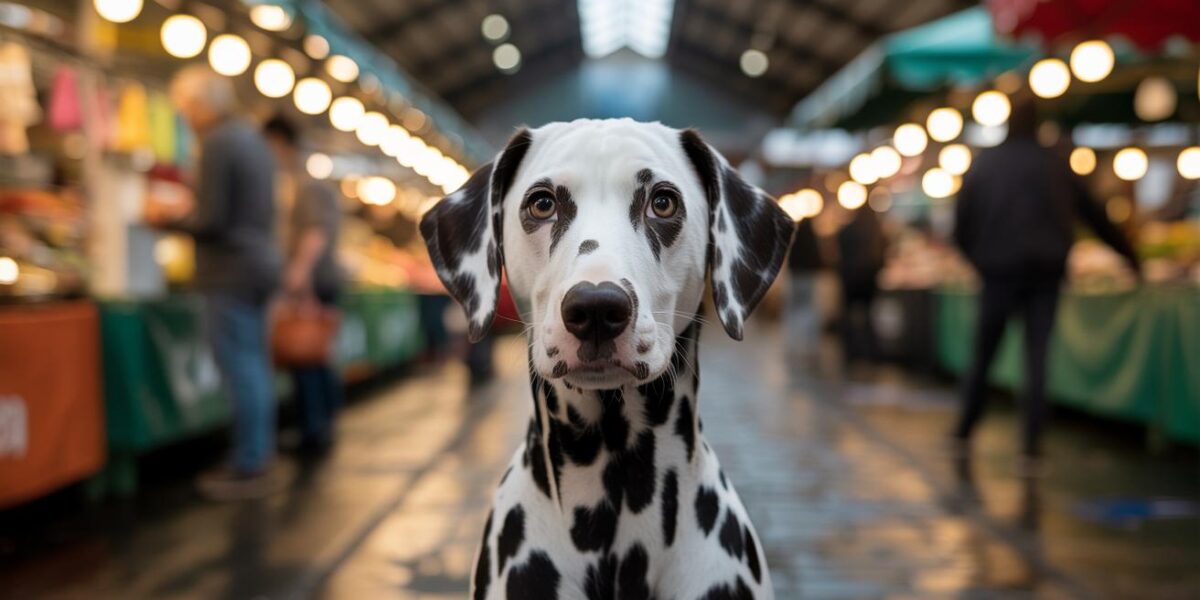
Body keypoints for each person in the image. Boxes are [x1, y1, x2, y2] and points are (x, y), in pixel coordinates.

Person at [951, 97, 1140, 466]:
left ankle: (964, 429)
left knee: (984, 353)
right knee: (1037, 357)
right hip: (1045, 272)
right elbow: (1094, 214)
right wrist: (1130, 256)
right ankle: (1032, 445)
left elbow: (960, 225)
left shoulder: (985, 163)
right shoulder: (1055, 163)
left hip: (999, 272)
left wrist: (980, 261)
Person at [150, 65, 282, 499]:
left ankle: (249, 464)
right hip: (259, 263)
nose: (184, 116)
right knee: (255, 366)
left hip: (229, 270)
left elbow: (211, 218)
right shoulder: (253, 140)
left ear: (202, 105)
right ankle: (258, 456)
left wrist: (167, 219)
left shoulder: (218, 143)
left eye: (186, 107)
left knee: (240, 367)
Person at [263, 115, 344, 455]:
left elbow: (315, 234)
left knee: (307, 356)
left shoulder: (307, 186)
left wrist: (298, 274)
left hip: (314, 281)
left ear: (281, 144)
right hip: (316, 279)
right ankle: (321, 425)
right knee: (316, 356)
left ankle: (314, 430)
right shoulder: (301, 184)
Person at [836, 206, 886, 365]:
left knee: (849, 316)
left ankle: (851, 354)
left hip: (849, 278)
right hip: (869, 279)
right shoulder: (875, 231)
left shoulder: (848, 230)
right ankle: (872, 353)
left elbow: (839, 250)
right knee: (869, 316)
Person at [785, 215, 824, 359]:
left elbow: (790, 259)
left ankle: (794, 341)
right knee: (808, 308)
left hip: (796, 277)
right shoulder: (813, 239)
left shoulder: (796, 240)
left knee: (795, 309)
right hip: (808, 278)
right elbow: (818, 259)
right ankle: (809, 343)